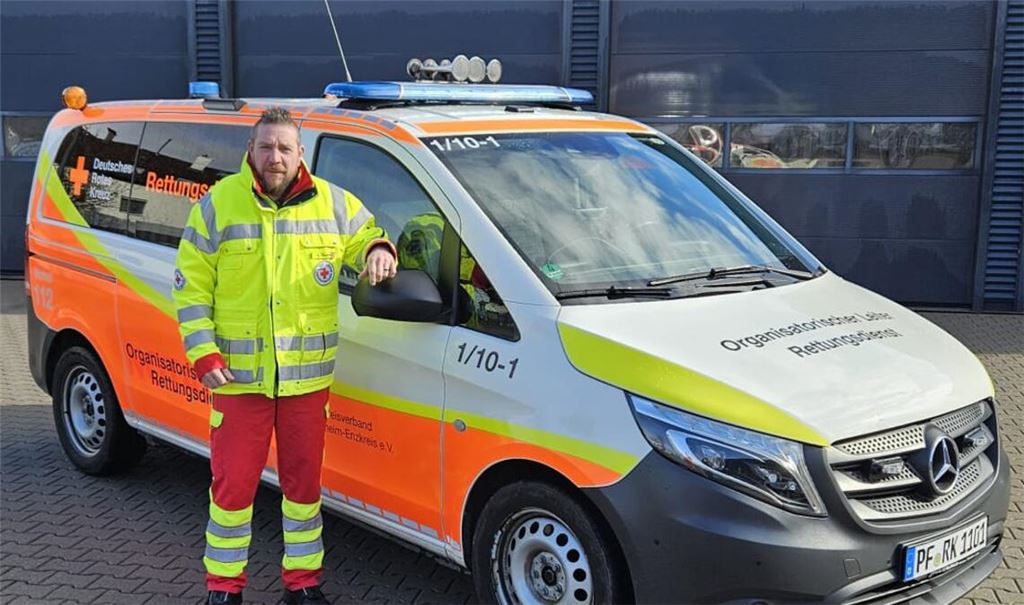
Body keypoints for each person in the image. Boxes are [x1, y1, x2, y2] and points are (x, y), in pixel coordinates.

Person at [172, 107, 397, 605]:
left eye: (285, 148)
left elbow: (365, 235)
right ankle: (223, 590)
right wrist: (203, 354)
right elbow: (190, 289)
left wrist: (380, 249)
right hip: (237, 381)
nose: (275, 157)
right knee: (232, 492)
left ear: (300, 155)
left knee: (303, 492)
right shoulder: (217, 205)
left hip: (305, 384)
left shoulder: (333, 203)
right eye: (267, 147)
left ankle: (303, 585)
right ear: (250, 151)